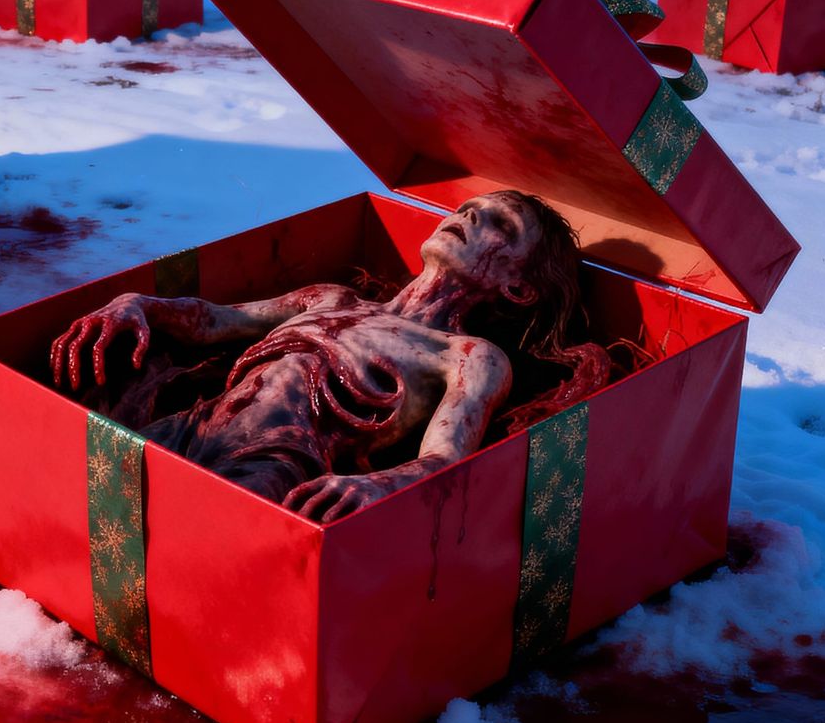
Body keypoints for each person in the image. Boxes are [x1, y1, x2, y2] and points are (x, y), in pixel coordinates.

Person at [50, 191, 609, 524]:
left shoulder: (468, 356)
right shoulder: (331, 298)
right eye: (468, 207)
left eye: (500, 226)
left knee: (198, 535)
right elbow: (218, 320)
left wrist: (378, 484)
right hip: (194, 425)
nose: (467, 217)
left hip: (276, 467)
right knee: (69, 494)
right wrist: (140, 302)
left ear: (519, 288)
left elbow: (445, 458)